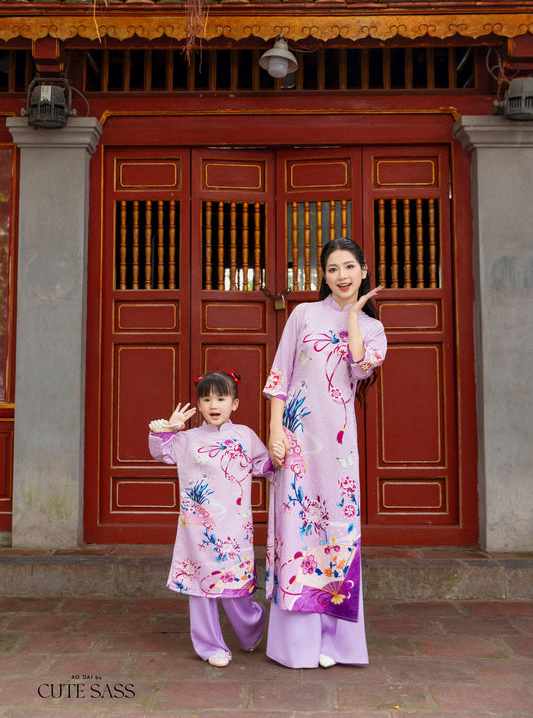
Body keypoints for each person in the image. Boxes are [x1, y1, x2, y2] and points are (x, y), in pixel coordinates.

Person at [263, 238, 387, 669]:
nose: (342, 276)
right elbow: (280, 373)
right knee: (297, 531)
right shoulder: (302, 314)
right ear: (323, 275)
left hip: (337, 448)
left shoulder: (372, 330)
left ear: (364, 270)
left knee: (335, 533)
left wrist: (353, 316)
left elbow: (359, 367)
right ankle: (296, 645)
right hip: (296, 442)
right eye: (333, 269)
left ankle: (335, 642)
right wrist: (275, 431)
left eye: (349, 267)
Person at [148, 370, 277, 668]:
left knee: (236, 589)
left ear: (235, 403)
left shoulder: (245, 435)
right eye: (206, 399)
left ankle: (251, 628)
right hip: (198, 529)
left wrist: (284, 453)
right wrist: (167, 429)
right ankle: (210, 646)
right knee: (201, 588)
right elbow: (162, 453)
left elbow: (265, 465)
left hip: (235, 529)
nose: (213, 404)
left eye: (221, 398)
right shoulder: (187, 439)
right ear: (199, 405)